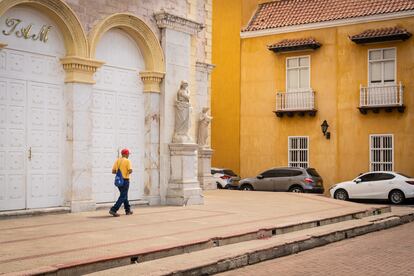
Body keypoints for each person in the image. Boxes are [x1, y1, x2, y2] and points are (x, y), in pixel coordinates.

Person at [109, 148, 133, 217]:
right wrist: (127, 172)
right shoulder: (127, 161)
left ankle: (127, 210)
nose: (128, 155)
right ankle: (113, 209)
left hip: (119, 181)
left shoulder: (117, 161)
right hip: (125, 180)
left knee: (124, 195)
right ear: (125, 154)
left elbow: (113, 171)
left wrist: (120, 172)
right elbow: (130, 170)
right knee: (123, 196)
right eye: (128, 154)